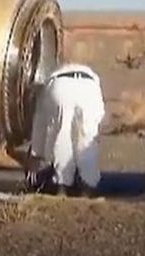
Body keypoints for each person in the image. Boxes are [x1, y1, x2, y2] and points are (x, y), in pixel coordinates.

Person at [26, 62, 106, 197]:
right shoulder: (86, 73)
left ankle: (61, 187)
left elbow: (39, 128)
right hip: (89, 87)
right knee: (87, 140)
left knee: (61, 137)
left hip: (60, 87)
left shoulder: (44, 90)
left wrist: (35, 156)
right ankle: (88, 188)